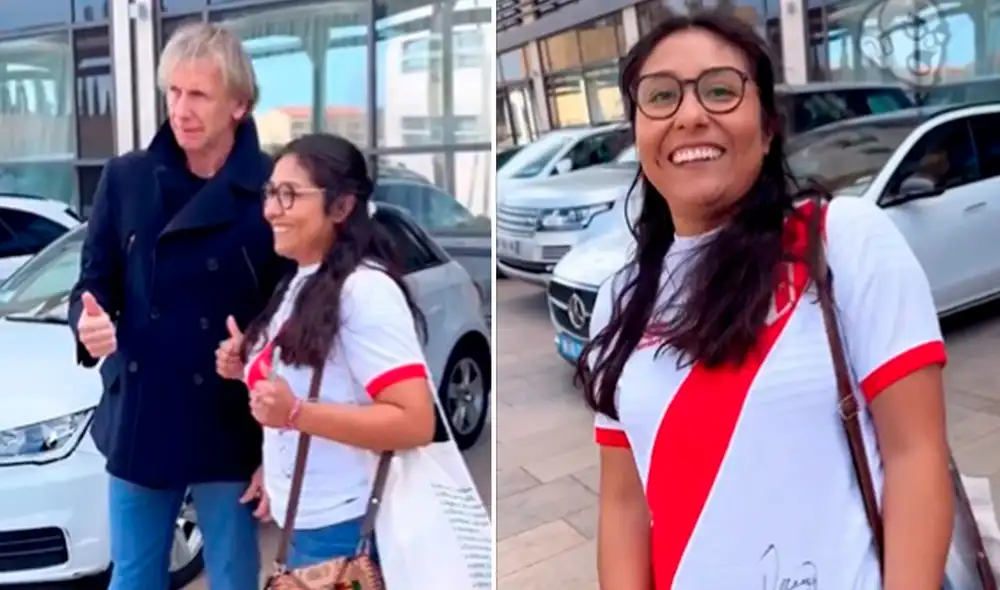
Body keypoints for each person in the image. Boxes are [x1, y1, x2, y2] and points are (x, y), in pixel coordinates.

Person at [576, 12, 953, 590]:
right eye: (660, 97)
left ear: (769, 126)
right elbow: (624, 509)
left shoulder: (841, 240)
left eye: (721, 90)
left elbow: (916, 455)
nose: (691, 115)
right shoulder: (620, 301)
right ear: (639, 133)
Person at [69, 22, 290, 590]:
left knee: (235, 576)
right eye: (173, 92)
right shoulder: (126, 179)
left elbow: (297, 307)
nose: (181, 109)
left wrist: (256, 348)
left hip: (230, 418)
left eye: (199, 95)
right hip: (144, 413)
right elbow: (93, 286)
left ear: (239, 104)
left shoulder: (271, 189)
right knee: (135, 576)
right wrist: (87, 323)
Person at [215, 133, 436, 568]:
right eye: (270, 193)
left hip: (343, 529)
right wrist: (245, 368)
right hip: (306, 522)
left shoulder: (364, 291)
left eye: (290, 195)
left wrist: (296, 414)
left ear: (340, 206)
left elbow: (414, 421)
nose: (270, 210)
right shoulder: (302, 279)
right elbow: (312, 388)